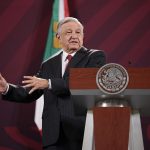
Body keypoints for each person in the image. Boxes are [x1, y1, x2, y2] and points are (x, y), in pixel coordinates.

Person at [0, 17, 106, 150]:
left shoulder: (95, 57)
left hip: (81, 131)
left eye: (78, 32)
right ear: (58, 37)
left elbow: (86, 83)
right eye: (68, 32)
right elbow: (29, 92)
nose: (74, 36)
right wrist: (6, 88)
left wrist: (49, 83)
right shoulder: (48, 64)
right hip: (53, 134)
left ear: (83, 35)